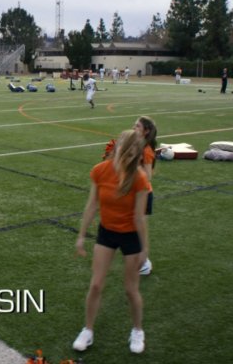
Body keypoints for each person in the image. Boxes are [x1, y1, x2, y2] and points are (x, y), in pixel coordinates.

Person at [73, 130, 150, 354]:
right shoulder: (100, 171)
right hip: (107, 232)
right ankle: (87, 330)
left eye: (132, 155)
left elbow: (139, 217)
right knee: (96, 284)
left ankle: (137, 330)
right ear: (117, 149)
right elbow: (91, 206)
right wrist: (81, 235)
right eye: (125, 153)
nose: (127, 158)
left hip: (130, 235)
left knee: (130, 289)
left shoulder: (139, 178)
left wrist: (145, 248)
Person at [134, 116, 157, 276]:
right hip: (134, 192)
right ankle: (137, 256)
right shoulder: (137, 145)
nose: (134, 128)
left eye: (137, 126)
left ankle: (144, 261)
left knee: (139, 228)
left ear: (146, 131)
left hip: (143, 194)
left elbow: (147, 175)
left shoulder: (146, 149)